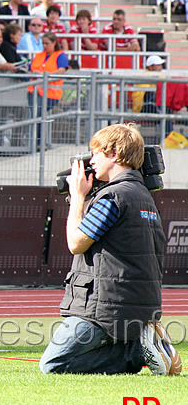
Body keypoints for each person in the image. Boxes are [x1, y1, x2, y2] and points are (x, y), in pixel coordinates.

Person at [39, 123, 181, 376]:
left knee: (53, 365)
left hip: (104, 309)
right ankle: (141, 346)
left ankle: (137, 352)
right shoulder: (142, 195)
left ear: (114, 153)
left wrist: (78, 197)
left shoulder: (112, 198)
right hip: (138, 307)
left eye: (96, 154)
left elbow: (75, 243)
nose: (91, 161)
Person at [26, 32, 68, 144]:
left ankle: (39, 141)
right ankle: (34, 141)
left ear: (54, 43)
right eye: (43, 43)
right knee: (35, 114)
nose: (44, 46)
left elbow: (62, 70)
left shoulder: (59, 55)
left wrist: (46, 76)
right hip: (34, 91)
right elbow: (30, 69)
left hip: (51, 93)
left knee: (40, 114)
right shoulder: (39, 55)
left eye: (47, 43)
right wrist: (34, 73)